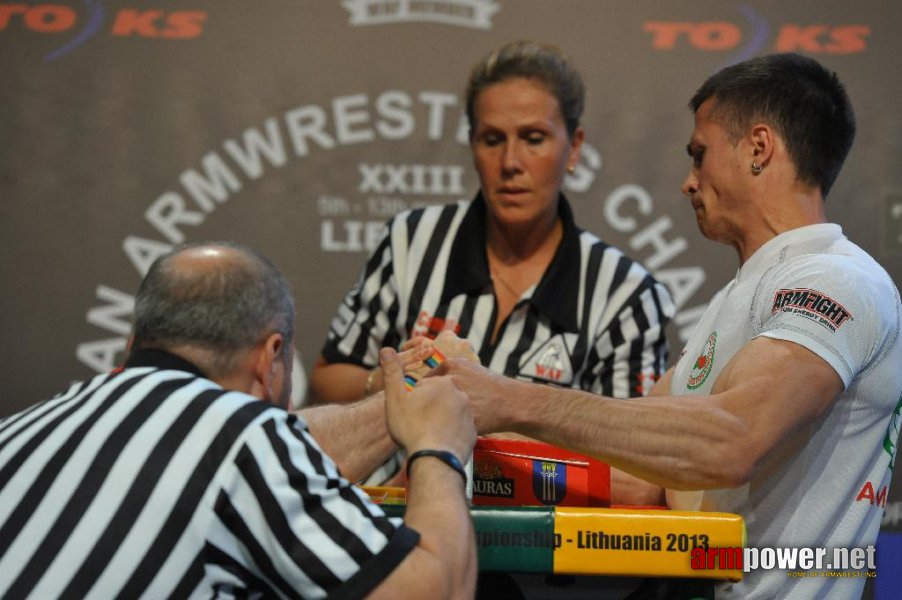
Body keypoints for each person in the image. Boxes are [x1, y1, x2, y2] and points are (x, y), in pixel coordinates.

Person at [434, 53, 902, 599]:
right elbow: (636, 475)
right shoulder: (738, 298)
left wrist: (507, 396)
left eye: (700, 154)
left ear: (758, 148)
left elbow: (732, 440)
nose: (687, 181)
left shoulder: (838, 279)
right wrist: (452, 410)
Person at [0, 242, 476, 599]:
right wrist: (438, 448)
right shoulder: (241, 436)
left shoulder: (19, 432)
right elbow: (439, 590)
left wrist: (411, 384)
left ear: (133, 345)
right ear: (271, 359)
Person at [310, 41, 674, 496]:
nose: (510, 163)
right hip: (395, 519)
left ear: (574, 147)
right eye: (492, 139)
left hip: (547, 545)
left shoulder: (626, 293)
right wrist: (395, 381)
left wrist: (478, 427)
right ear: (473, 145)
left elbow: (635, 474)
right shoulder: (410, 241)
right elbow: (329, 374)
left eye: (533, 138)